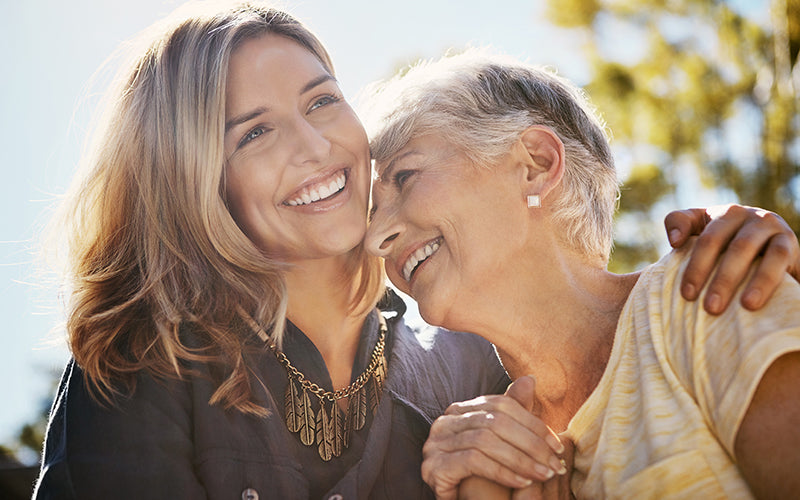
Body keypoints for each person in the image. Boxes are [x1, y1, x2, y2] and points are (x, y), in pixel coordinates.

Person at [34, 3, 797, 499]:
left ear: (535, 164)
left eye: (323, 100)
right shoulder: (147, 362)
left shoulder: (693, 307)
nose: (378, 224)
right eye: (254, 132)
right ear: (199, 179)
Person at [364, 49, 800, 499]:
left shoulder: (707, 292)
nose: (375, 238)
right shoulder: (483, 457)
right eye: (371, 214)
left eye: (405, 176)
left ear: (536, 164)